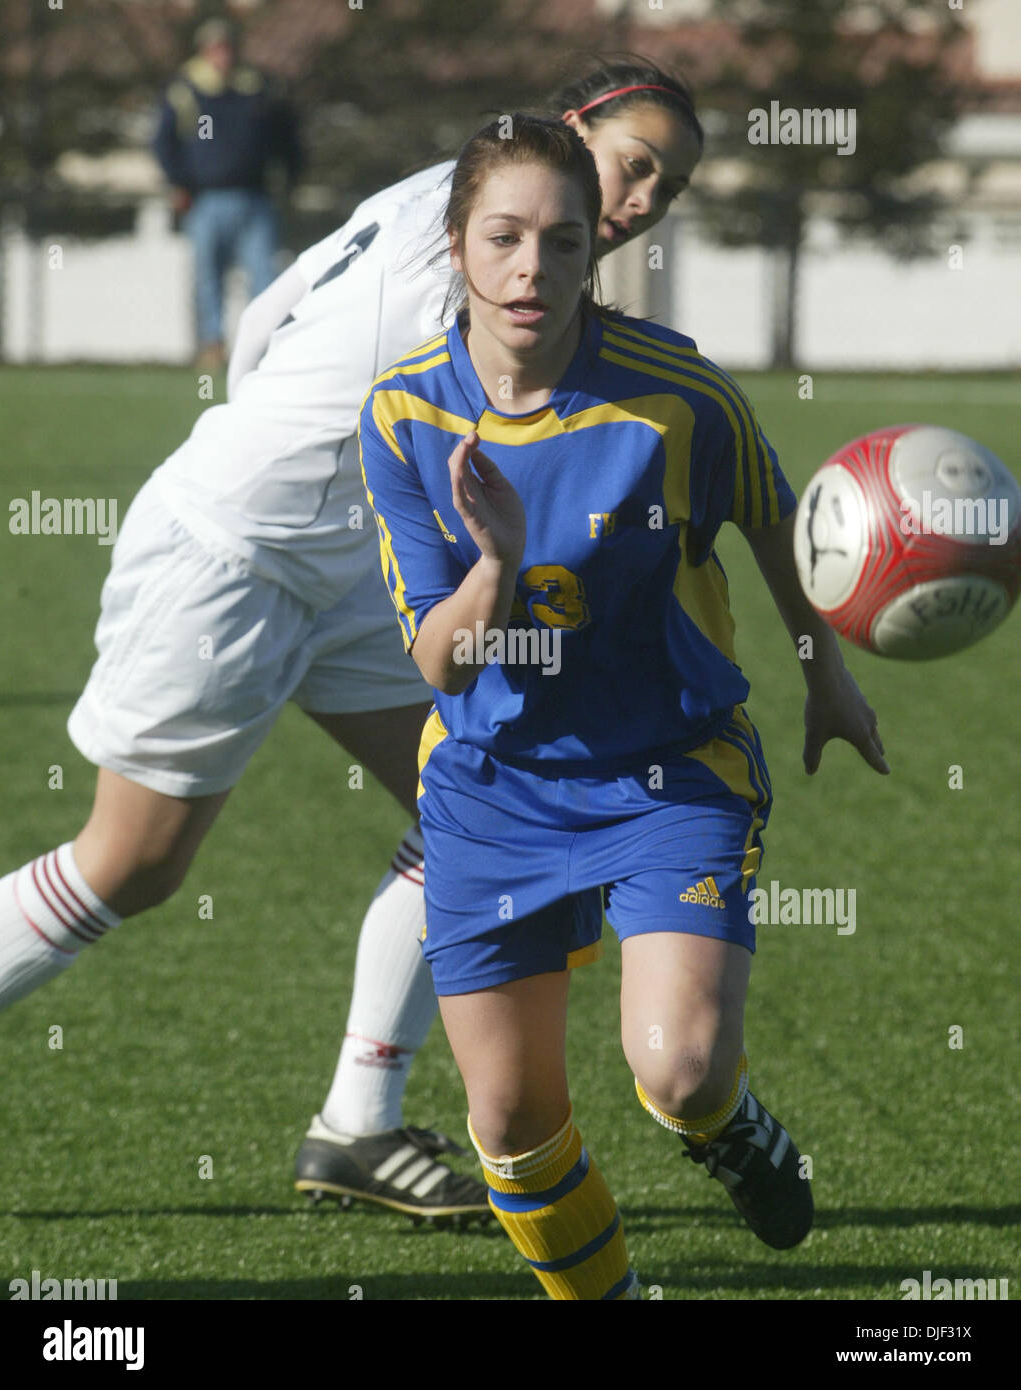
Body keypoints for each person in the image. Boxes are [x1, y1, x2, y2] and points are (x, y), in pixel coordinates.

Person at [0, 60, 704, 1226]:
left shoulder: (449, 192)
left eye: (664, 189)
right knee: (129, 864)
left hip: (338, 571)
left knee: (479, 802)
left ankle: (357, 1128)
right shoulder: (479, 265)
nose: (640, 202)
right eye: (632, 164)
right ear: (573, 129)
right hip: (232, 556)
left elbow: (270, 313)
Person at [358, 113, 888, 1299]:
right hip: (493, 787)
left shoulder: (676, 394)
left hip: (668, 766)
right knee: (507, 1122)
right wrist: (491, 563)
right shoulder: (402, 412)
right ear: (455, 245)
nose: (528, 268)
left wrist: (826, 674)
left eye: (558, 240)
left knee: (679, 1068)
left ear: (592, 250)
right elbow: (439, 664)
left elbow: (771, 513)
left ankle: (729, 1126)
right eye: (501, 237)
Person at [152, 17, 301, 368]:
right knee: (208, 278)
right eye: (215, 48)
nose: (223, 55)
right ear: (204, 51)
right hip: (206, 200)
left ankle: (265, 349)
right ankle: (211, 348)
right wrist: (179, 182)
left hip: (255, 198)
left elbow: (286, 138)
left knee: (265, 277)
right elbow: (164, 142)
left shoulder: (257, 89)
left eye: (227, 47)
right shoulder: (186, 89)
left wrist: (290, 178)